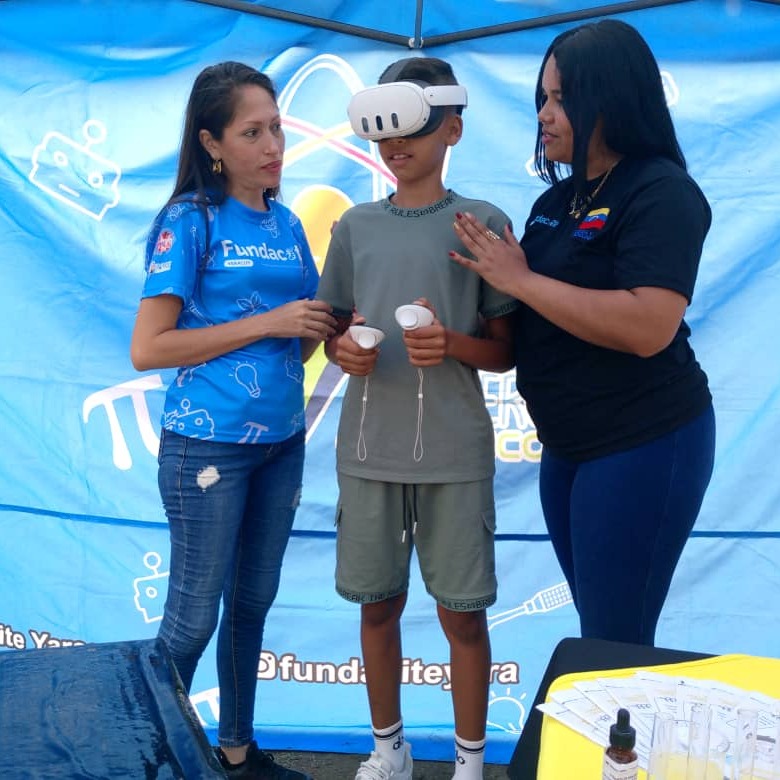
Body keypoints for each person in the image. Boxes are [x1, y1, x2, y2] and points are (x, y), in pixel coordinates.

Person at [451, 19, 715, 647]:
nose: (545, 114)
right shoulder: (553, 204)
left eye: (562, 98)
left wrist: (520, 281)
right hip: (568, 448)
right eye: (542, 97)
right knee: (603, 630)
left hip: (644, 443)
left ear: (612, 95)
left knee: (614, 637)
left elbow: (649, 326)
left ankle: (624, 747)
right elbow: (524, 325)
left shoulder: (661, 192)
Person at [130, 61, 336, 780]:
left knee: (251, 606)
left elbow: (299, 337)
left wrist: (332, 327)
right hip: (205, 448)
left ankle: (237, 755)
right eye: (253, 131)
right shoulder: (189, 221)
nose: (274, 143)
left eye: (277, 126)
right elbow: (147, 347)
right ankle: (151, 759)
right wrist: (270, 322)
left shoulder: (284, 221)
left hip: (282, 442)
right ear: (212, 142)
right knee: (191, 622)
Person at [316, 56, 518, 780]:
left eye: (414, 130)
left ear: (453, 128)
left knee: (463, 615)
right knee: (376, 607)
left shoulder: (484, 224)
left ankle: (469, 762)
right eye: (384, 135)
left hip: (454, 456)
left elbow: (503, 352)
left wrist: (451, 343)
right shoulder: (354, 228)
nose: (395, 147)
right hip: (368, 451)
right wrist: (342, 347)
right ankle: (388, 750)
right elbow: (332, 329)